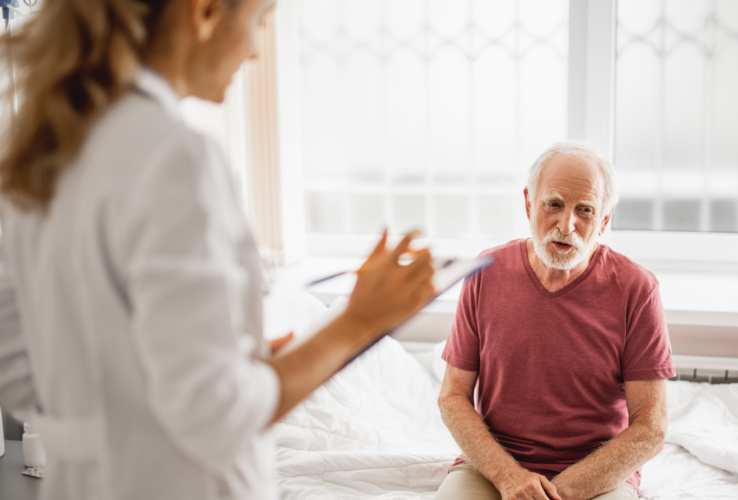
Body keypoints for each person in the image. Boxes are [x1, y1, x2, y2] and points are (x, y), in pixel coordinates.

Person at [0, 1, 435, 499]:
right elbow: (217, 415)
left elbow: (16, 370)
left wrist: (213, 354)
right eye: (259, 22)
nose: (254, 52)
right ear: (204, 11)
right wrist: (359, 322)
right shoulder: (174, 157)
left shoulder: (41, 151)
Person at [435, 141, 675, 500]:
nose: (567, 224)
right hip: (494, 467)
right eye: (554, 204)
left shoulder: (636, 289)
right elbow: (453, 396)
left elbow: (651, 428)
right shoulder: (484, 273)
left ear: (604, 220)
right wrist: (509, 477)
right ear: (529, 203)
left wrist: (558, 493)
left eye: (585, 210)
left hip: (596, 475)